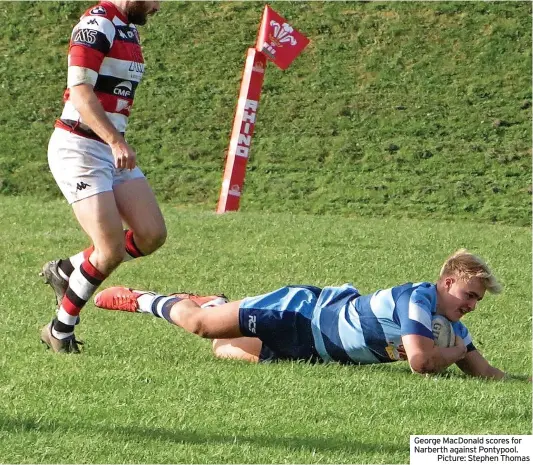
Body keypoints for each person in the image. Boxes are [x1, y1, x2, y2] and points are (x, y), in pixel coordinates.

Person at [93, 249, 516, 379]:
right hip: (300, 314)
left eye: (477, 299)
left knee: (224, 350)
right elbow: (423, 363)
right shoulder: (417, 300)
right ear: (446, 283)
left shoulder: (450, 328)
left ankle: (216, 301)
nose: (472, 304)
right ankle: (142, 298)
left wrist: (519, 381)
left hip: (311, 352)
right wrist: (455, 353)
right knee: (201, 328)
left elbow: (485, 372)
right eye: (469, 294)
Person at [40, 1, 166, 354]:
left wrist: (114, 141)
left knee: (152, 234)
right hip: (79, 147)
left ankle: (70, 270)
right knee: (109, 248)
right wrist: (114, 139)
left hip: (110, 147)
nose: (157, 6)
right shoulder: (97, 23)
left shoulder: (128, 26)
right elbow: (80, 91)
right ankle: (59, 330)